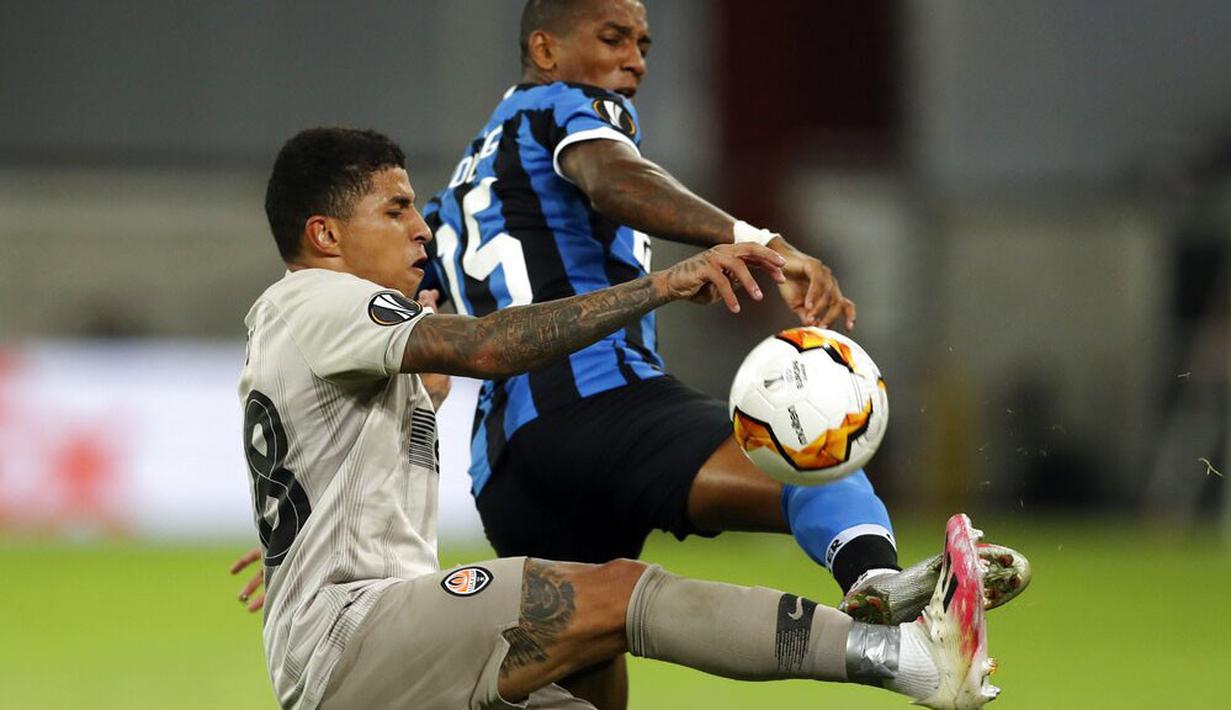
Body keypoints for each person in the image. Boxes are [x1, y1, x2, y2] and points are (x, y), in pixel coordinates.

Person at [234, 1, 1030, 706]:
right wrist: (749, 240)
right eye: (613, 37)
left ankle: (889, 620)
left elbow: (418, 368)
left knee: (591, 650)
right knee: (808, 451)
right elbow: (608, 185)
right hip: (594, 405)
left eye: (643, 44)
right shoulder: (558, 109)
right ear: (545, 50)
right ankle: (879, 596)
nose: (634, 60)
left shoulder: (453, 204)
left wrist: (310, 528)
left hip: (509, 468)